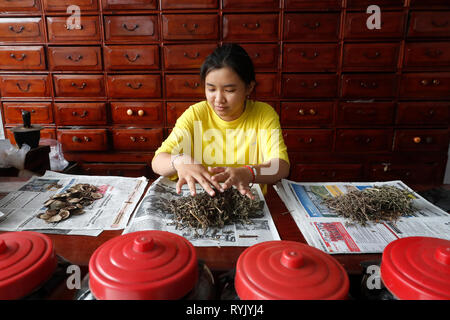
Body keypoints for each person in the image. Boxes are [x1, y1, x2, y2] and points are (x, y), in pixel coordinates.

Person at [151, 43, 290, 199]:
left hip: (248, 199)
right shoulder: (196, 114)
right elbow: (157, 162)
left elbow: (280, 166)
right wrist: (178, 161)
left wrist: (249, 172)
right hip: (203, 200)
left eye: (229, 90)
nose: (218, 99)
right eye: (211, 89)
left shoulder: (263, 114)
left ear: (249, 87)